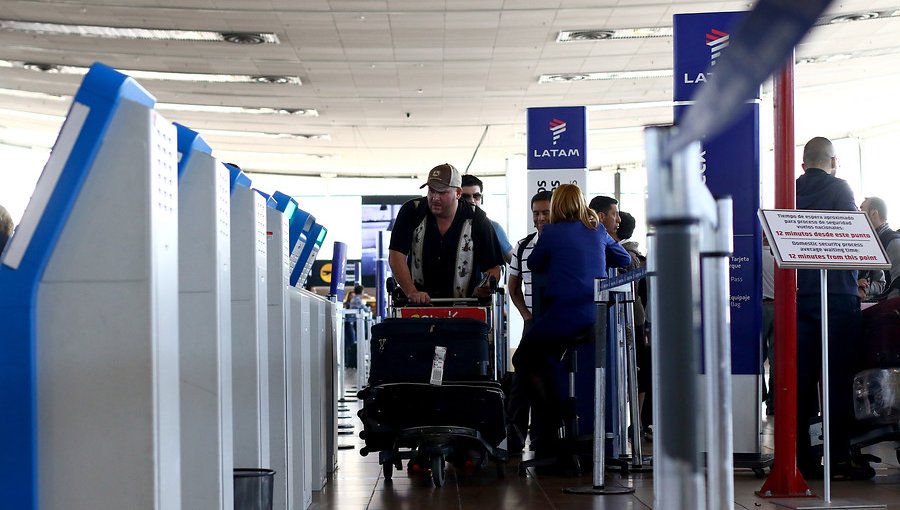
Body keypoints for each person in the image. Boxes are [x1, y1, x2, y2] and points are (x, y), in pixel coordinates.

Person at [512, 184, 630, 457]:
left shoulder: (551, 233)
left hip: (563, 314)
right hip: (594, 314)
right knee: (549, 355)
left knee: (524, 358)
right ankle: (566, 407)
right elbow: (623, 257)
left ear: (555, 207)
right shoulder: (597, 230)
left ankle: (559, 408)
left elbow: (534, 264)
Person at [795, 136, 871, 480]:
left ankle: (806, 459)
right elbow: (855, 238)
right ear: (834, 161)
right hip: (838, 295)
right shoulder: (841, 190)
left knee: (803, 382)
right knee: (839, 380)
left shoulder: (790, 191)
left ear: (803, 164)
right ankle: (840, 458)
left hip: (801, 297)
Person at [388, 163, 504, 304]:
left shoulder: (477, 219)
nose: (435, 197)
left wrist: (485, 285)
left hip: (465, 311)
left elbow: (494, 266)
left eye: (442, 192)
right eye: (432, 190)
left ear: (458, 193)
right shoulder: (412, 211)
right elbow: (396, 255)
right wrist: (411, 291)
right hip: (418, 309)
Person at [505, 190, 552, 453]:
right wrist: (526, 315)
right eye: (537, 213)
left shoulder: (564, 245)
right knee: (522, 381)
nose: (541, 217)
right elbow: (513, 287)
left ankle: (544, 442)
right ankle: (514, 441)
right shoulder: (523, 246)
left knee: (550, 383)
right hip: (533, 325)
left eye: (546, 212)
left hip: (560, 324)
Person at [617, 210, 652, 437]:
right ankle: (639, 422)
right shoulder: (639, 256)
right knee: (639, 368)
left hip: (628, 319)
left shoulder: (624, 256)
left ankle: (636, 422)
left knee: (635, 369)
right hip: (638, 318)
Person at [460, 174, 514, 263]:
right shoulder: (447, 225)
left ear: (481, 198)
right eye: (466, 197)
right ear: (457, 197)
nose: (472, 201)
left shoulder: (493, 227)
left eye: (476, 196)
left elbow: (514, 262)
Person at [860, 196, 900, 300]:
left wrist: (889, 310)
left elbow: (898, 283)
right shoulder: (871, 241)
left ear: (873, 213)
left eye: (861, 210)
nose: (858, 215)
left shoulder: (892, 241)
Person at [761, 237, 776, 416]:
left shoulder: (756, 257)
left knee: (757, 357)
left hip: (760, 307)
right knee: (775, 359)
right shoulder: (778, 258)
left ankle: (760, 394)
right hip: (779, 308)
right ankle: (772, 404)